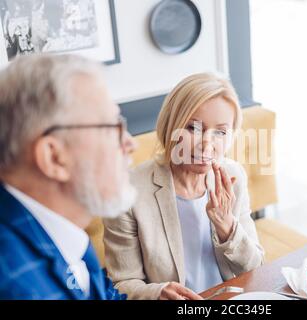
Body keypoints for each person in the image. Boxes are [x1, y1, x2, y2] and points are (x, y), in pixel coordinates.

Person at [103, 73, 265, 300]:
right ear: (171, 127)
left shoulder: (233, 177)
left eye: (220, 132)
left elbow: (255, 266)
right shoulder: (128, 191)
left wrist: (227, 227)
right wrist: (157, 293)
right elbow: (121, 283)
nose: (207, 143)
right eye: (193, 128)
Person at [0, 54, 137, 300]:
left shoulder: (65, 228)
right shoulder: (14, 285)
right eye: (110, 127)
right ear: (53, 157)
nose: (130, 143)